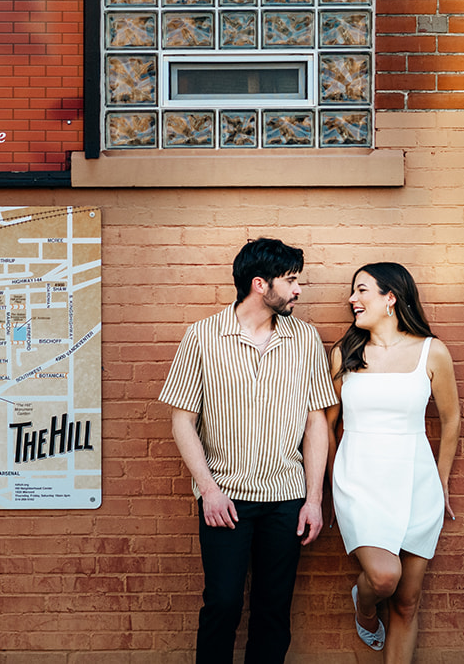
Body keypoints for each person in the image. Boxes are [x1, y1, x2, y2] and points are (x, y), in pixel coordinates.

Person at [159, 237, 338, 664]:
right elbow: (182, 421)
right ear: (260, 284)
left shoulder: (305, 339)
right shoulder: (202, 337)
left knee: (273, 611)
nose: (298, 289)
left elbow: (316, 421)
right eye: (290, 280)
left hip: (286, 498)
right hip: (226, 498)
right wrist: (209, 490)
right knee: (222, 604)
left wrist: (314, 500)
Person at [327, 262, 461, 658]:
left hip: (417, 484)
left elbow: (451, 419)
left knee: (407, 601)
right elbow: (327, 425)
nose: (352, 299)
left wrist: (440, 481)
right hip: (359, 483)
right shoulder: (345, 354)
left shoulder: (432, 352)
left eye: (362, 290)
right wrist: (332, 483)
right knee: (384, 577)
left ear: (391, 297)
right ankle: (365, 606)